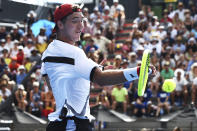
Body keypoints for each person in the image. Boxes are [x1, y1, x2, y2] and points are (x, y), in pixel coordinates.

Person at [41, 3, 156, 131]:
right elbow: (100, 79)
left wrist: (87, 74)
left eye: (82, 20)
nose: (81, 26)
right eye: (75, 21)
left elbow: (54, 85)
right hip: (73, 126)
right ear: (60, 24)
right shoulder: (74, 53)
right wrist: (139, 71)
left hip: (57, 125)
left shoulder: (47, 52)